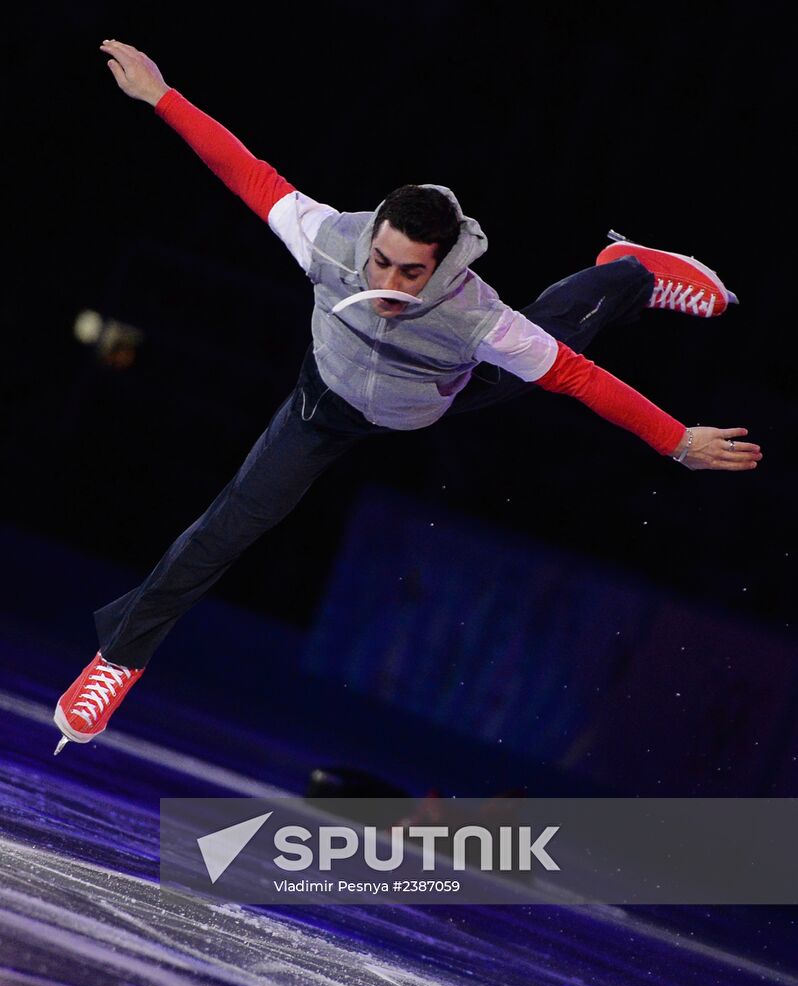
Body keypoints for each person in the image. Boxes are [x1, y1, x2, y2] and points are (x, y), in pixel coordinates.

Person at [52, 40, 763, 755]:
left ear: (443, 264)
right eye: (381, 260)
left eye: (411, 272)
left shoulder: (476, 314)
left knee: (554, 334)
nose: (389, 281)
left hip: (436, 393)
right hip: (325, 401)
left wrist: (677, 440)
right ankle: (117, 660)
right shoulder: (328, 238)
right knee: (230, 523)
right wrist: (161, 96)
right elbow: (243, 171)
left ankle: (634, 270)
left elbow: (579, 377)